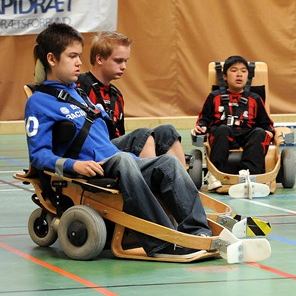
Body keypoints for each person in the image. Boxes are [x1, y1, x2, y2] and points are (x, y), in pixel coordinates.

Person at [24, 23, 212, 258]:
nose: (79, 63)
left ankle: (199, 232)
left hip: (117, 159)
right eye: (72, 56)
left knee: (169, 162)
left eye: (79, 56)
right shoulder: (39, 101)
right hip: (91, 169)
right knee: (123, 159)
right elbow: (38, 155)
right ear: (51, 59)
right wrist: (74, 165)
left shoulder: (77, 93)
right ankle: (162, 242)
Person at [76, 32, 186, 164]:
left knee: (167, 131)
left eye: (125, 61)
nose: (124, 66)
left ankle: (182, 181)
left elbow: (120, 135)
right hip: (96, 151)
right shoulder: (79, 86)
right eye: (118, 61)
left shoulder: (116, 95)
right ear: (99, 59)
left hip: (115, 149)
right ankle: (150, 179)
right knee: (142, 135)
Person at [192, 55, 275, 187]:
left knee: (259, 132)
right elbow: (204, 119)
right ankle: (215, 174)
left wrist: (269, 132)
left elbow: (266, 123)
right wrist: (201, 127)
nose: (239, 74)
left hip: (247, 135)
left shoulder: (255, 99)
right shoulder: (214, 97)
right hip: (223, 135)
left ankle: (249, 173)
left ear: (248, 76)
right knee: (222, 129)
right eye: (234, 70)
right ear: (224, 76)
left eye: (243, 71)